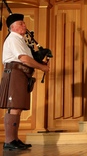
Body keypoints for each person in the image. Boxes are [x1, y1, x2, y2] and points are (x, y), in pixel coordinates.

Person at [0, 13, 50, 150]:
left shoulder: (21, 40)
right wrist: (42, 67)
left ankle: (14, 139)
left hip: (21, 74)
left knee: (17, 107)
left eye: (24, 23)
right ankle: (9, 141)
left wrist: (40, 60)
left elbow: (29, 57)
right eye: (21, 24)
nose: (24, 25)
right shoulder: (13, 39)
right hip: (15, 73)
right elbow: (24, 59)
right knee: (14, 107)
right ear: (13, 27)